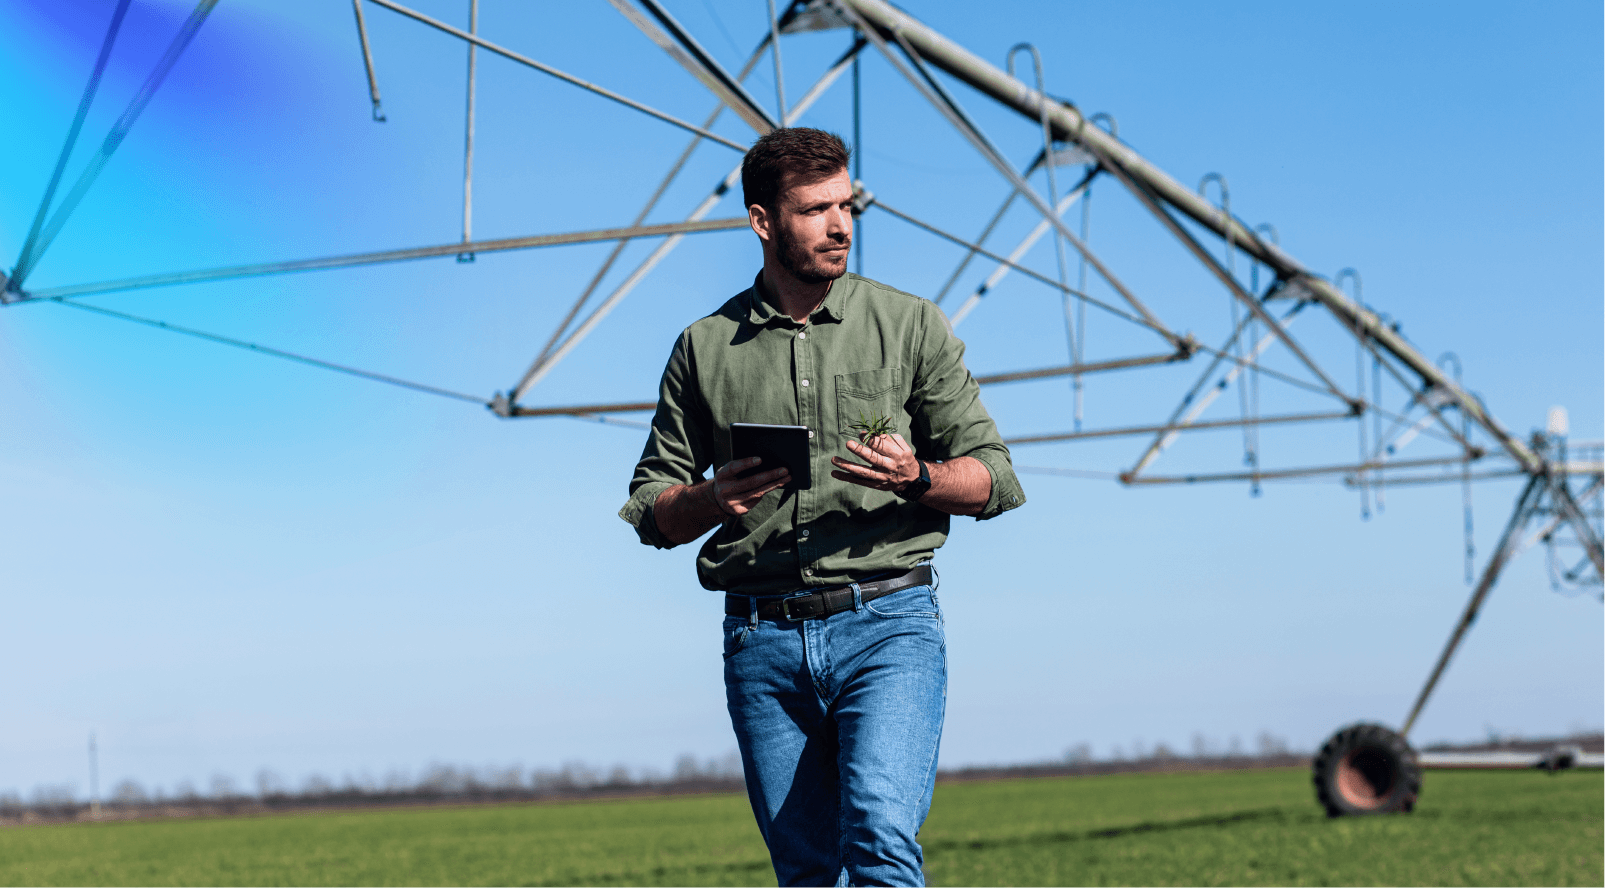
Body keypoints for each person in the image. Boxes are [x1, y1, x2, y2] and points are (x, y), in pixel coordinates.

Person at [618, 127, 1025, 888]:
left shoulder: (909, 324)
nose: (840, 226)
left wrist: (917, 476)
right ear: (763, 221)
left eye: (847, 205)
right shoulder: (703, 348)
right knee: (808, 873)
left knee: (877, 834)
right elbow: (650, 510)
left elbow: (994, 480)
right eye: (815, 210)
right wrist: (711, 497)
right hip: (760, 639)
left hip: (889, 624)